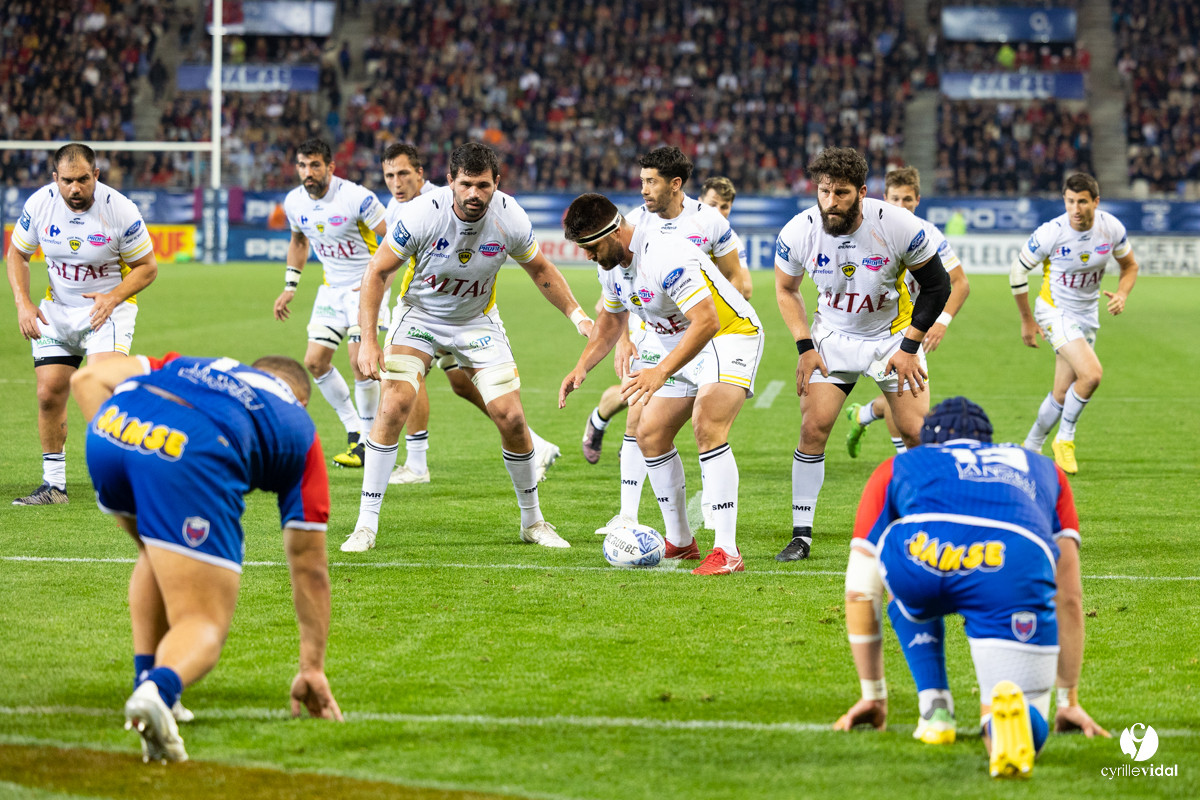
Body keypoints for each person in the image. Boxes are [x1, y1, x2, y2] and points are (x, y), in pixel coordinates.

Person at [71, 352, 341, 763]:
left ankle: (146, 676)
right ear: (299, 400)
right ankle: (156, 692)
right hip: (193, 445)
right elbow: (310, 566)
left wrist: (136, 449)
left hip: (113, 427)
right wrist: (312, 667)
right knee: (204, 621)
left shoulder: (200, 364)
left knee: (155, 546)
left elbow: (85, 378)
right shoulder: (299, 426)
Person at [834, 397, 1109, 778]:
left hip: (927, 557)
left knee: (897, 570)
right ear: (988, 442)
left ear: (930, 442)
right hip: (1010, 564)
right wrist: (1068, 698)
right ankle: (1005, 727)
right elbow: (1069, 597)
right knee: (1020, 713)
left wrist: (873, 695)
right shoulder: (1044, 469)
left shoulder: (900, 464)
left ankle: (935, 708)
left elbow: (859, 590)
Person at [346, 142, 592, 552]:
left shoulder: (510, 216)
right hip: (420, 317)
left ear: (497, 183)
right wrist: (368, 340)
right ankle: (365, 525)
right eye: (466, 185)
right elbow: (377, 271)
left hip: (477, 321)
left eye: (483, 185)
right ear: (450, 183)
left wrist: (578, 315)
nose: (474, 194)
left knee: (511, 416)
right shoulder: (422, 214)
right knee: (392, 405)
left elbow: (541, 269)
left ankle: (532, 522)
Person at [560, 193, 764, 575]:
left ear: (615, 231)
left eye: (591, 247)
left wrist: (662, 370)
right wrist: (581, 367)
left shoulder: (665, 255)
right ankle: (682, 542)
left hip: (729, 335)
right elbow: (611, 321)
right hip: (679, 342)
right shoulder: (610, 266)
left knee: (708, 426)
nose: (588, 256)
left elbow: (707, 321)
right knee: (650, 433)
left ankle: (727, 551)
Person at [774, 147, 952, 562]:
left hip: (892, 338)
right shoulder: (799, 230)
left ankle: (923, 524)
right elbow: (786, 289)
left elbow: (938, 286)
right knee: (813, 429)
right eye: (823, 192)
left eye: (840, 194)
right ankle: (802, 535)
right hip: (832, 337)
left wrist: (910, 347)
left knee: (916, 431)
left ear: (862, 192)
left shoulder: (898, 225)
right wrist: (804, 346)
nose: (830, 203)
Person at [581, 151, 750, 539]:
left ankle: (719, 534)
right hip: (652, 327)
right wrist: (624, 338)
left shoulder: (708, 221)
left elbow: (733, 278)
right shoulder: (630, 224)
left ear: (675, 183)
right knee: (642, 418)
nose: (644, 190)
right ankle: (630, 515)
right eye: (641, 181)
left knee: (701, 422)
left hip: (705, 325)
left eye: (651, 181)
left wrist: (730, 330)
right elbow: (615, 296)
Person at [380, 144, 559, 486]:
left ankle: (417, 464)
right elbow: (389, 264)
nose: (396, 182)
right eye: (389, 175)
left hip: (453, 312)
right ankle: (537, 443)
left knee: (409, 377)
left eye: (403, 173)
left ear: (422, 175)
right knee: (460, 384)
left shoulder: (441, 203)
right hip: (434, 305)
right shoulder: (399, 207)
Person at [6, 142, 158, 506]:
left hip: (107, 310)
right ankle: (54, 486)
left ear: (97, 176)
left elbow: (148, 268)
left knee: (97, 390)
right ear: (55, 178)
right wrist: (23, 303)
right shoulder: (40, 204)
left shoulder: (120, 209)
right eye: (69, 181)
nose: (76, 189)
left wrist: (112, 297)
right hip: (56, 310)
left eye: (84, 180)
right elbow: (17, 254)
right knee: (48, 393)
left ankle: (129, 478)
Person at [272, 138, 390, 469]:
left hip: (364, 289)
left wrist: (381, 283)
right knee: (315, 361)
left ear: (330, 167)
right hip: (330, 289)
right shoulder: (294, 201)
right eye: (302, 166)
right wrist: (290, 287)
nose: (307, 172)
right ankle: (355, 430)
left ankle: (370, 442)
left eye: (314, 165)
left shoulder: (356, 197)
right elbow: (298, 241)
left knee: (359, 362)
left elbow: (393, 237)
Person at [1011, 173, 1139, 474]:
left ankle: (1030, 447)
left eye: (1082, 201)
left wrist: (1122, 292)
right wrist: (1027, 320)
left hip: (1086, 316)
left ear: (1096, 201)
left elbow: (1130, 265)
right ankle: (1065, 439)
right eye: (1070, 201)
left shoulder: (1111, 228)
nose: (1076, 208)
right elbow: (1017, 273)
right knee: (1092, 375)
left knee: (1061, 392)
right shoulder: (1051, 232)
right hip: (1053, 310)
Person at [845, 167, 971, 458]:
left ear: (918, 200)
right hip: (881, 325)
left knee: (902, 391)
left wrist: (941, 322)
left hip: (917, 325)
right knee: (902, 390)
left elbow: (960, 283)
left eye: (907, 200)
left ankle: (863, 415)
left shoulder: (929, 234)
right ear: (883, 198)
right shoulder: (868, 231)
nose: (901, 207)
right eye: (895, 199)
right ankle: (907, 460)